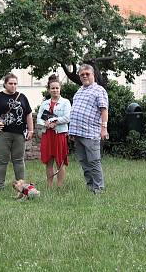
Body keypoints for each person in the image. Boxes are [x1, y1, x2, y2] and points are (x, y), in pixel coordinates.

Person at [0, 73, 34, 190]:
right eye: (10, 83)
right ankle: (0, 187)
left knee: (18, 160)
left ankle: (21, 186)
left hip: (19, 134)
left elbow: (28, 114)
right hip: (3, 134)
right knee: (2, 161)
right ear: (5, 84)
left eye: (15, 83)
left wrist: (31, 130)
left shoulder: (22, 97)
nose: (13, 86)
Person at [68, 64, 109, 194]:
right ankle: (91, 187)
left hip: (91, 133)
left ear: (93, 75)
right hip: (78, 133)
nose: (84, 76)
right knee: (84, 163)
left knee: (94, 162)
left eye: (87, 74)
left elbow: (104, 109)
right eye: (82, 74)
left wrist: (104, 128)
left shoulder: (99, 90)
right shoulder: (79, 91)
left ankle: (99, 189)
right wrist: (71, 131)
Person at [36, 74, 71, 188]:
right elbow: (39, 119)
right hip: (47, 135)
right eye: (52, 88)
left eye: (57, 88)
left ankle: (59, 186)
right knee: (48, 162)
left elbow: (67, 117)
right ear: (49, 90)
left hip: (59, 135)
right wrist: (46, 124)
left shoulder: (65, 102)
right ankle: (49, 186)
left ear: (60, 89)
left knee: (60, 162)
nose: (55, 90)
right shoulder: (45, 103)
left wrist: (54, 121)